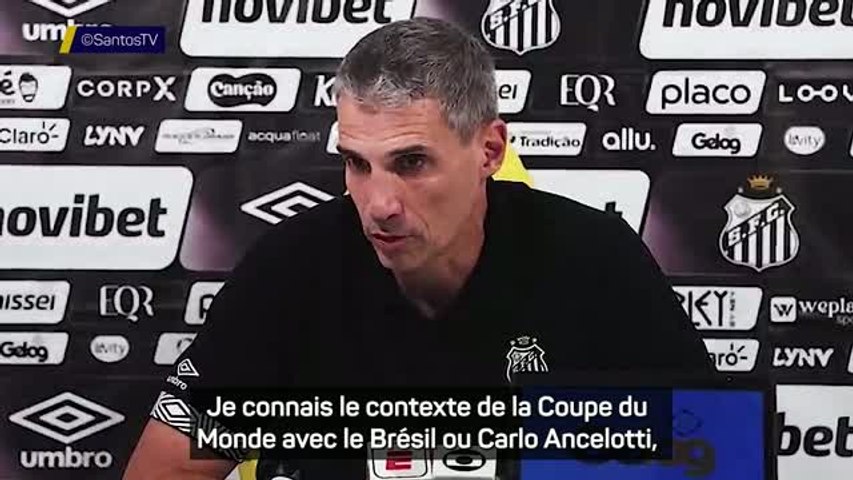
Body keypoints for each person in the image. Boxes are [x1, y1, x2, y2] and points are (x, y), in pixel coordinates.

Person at [123, 17, 714, 480]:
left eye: (411, 163)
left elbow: (708, 455)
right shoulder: (290, 269)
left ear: (489, 151)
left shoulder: (594, 259)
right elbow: (170, 466)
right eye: (357, 164)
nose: (379, 203)